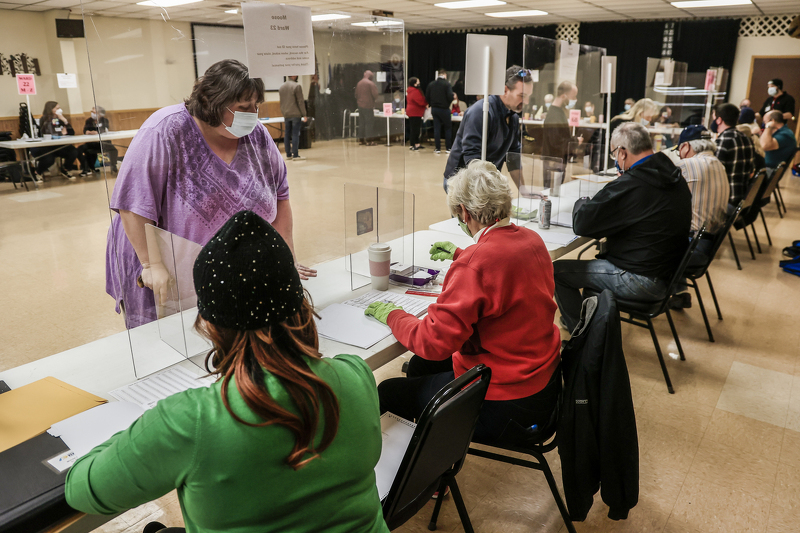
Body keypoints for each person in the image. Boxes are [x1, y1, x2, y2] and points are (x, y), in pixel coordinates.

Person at [68, 211, 389, 533]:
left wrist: (139, 435)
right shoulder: (356, 375)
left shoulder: (189, 421)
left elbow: (82, 490)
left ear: (209, 324)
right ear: (300, 305)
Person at [105, 59, 316, 330]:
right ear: (211, 103)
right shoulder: (165, 131)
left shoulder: (257, 136)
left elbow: (280, 197)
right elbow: (133, 203)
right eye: (243, 107)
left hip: (221, 267)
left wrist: (285, 260)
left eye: (256, 106)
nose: (253, 114)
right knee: (171, 341)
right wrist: (150, 264)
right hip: (156, 259)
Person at [371, 160, 562, 447]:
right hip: (542, 385)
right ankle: (434, 453)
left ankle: (421, 478)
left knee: (389, 391)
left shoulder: (477, 263)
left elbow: (433, 342)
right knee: (421, 367)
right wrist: (463, 255)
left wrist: (394, 315)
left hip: (502, 402)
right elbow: (505, 276)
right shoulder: (532, 241)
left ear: (464, 212)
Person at [553, 123, 692, 332]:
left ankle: (579, 334)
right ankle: (587, 321)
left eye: (614, 155)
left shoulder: (634, 183)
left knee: (557, 271)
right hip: (667, 274)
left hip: (641, 279)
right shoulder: (671, 175)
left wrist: (584, 199)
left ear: (623, 153)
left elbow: (583, 222)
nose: (616, 161)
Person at [443, 66, 531, 192]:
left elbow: (513, 157)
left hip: (485, 182)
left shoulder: (513, 118)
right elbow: (472, 157)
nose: (526, 101)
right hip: (462, 183)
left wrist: (524, 190)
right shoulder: (480, 112)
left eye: (528, 96)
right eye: (522, 95)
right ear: (505, 90)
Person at [670, 125, 730, 309]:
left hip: (691, 248)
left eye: (679, 150)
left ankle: (642, 295)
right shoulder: (720, 165)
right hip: (707, 245)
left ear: (686, 146)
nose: (679, 155)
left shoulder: (687, 165)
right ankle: (679, 292)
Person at [713, 102, 755, 207]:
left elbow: (713, 173)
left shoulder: (723, 140)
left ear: (719, 120)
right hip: (742, 199)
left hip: (726, 200)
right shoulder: (747, 139)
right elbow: (751, 172)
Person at [31, 101, 79, 179]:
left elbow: (71, 132)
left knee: (73, 151)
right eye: (57, 108)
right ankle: (38, 172)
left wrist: (65, 121)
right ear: (51, 109)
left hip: (59, 145)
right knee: (49, 159)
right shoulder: (44, 119)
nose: (59, 110)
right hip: (48, 146)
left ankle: (66, 169)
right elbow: (48, 133)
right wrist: (61, 133)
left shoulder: (60, 119)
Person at [542, 81, 583, 164]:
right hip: (554, 161)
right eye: (573, 96)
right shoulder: (554, 115)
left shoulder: (559, 112)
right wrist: (575, 141)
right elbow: (556, 142)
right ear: (564, 96)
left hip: (557, 160)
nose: (575, 100)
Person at [78, 106, 118, 176]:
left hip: (103, 143)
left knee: (114, 150)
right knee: (80, 149)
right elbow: (85, 131)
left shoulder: (104, 120)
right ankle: (86, 168)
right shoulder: (89, 121)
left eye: (94, 112)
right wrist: (91, 132)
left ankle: (113, 166)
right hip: (92, 143)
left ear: (99, 113)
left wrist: (94, 132)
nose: (92, 113)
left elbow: (103, 130)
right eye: (92, 112)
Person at [279, 75, 308, 161]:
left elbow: (282, 102)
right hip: (295, 114)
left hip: (286, 114)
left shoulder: (282, 87)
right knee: (295, 134)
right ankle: (295, 154)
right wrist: (304, 114)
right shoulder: (297, 86)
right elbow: (300, 102)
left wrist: (284, 112)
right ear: (294, 75)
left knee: (287, 134)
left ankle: (288, 154)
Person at [425, 68, 454, 154]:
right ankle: (448, 148)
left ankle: (437, 148)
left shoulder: (431, 84)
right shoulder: (447, 84)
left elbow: (427, 96)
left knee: (436, 128)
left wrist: (431, 104)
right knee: (448, 128)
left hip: (435, 109)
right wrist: (447, 103)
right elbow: (450, 96)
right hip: (444, 109)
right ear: (445, 75)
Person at [355, 70, 378, 146]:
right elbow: (375, 95)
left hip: (360, 106)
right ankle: (369, 141)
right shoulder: (370, 83)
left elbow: (356, 95)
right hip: (368, 106)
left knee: (361, 123)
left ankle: (361, 140)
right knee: (369, 123)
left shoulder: (359, 83)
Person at [406, 77, 427, 152]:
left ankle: (417, 143)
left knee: (416, 128)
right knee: (414, 129)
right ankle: (412, 144)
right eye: (418, 82)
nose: (419, 83)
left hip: (414, 112)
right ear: (414, 84)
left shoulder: (410, 90)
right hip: (415, 112)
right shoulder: (414, 91)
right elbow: (420, 101)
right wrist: (426, 103)